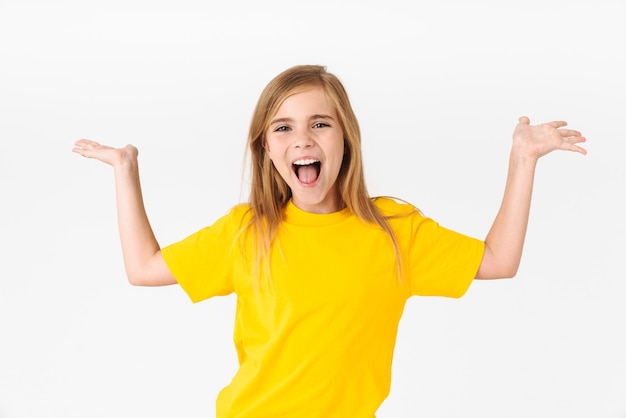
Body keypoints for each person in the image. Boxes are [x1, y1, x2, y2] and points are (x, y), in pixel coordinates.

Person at [72, 64, 587, 417]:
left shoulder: (394, 231)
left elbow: (498, 260)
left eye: (320, 123)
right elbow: (143, 268)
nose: (302, 140)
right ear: (266, 148)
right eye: (283, 128)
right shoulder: (247, 232)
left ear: (346, 137)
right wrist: (125, 170)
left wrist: (523, 160)